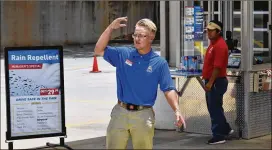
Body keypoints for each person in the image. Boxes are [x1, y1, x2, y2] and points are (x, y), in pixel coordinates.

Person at [94, 17, 186, 149]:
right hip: (120, 112)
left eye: (141, 35)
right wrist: (110, 28)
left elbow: (168, 89)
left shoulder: (159, 63)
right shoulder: (124, 54)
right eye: (135, 35)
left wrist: (177, 110)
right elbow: (98, 49)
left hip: (144, 115)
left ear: (151, 37)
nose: (137, 38)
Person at [202, 20, 234, 144]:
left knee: (214, 109)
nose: (208, 32)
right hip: (213, 81)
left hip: (216, 81)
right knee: (214, 108)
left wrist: (210, 82)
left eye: (211, 30)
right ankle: (225, 129)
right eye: (208, 30)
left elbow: (217, 67)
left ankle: (219, 135)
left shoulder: (220, 45)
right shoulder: (213, 44)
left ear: (218, 31)